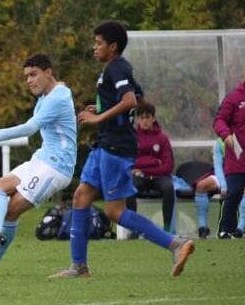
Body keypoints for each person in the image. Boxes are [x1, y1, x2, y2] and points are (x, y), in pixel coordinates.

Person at [50, 21, 194, 279]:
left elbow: (129, 101)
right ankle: (79, 267)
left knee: (114, 210)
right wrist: (101, 108)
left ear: (112, 46)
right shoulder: (115, 69)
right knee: (81, 196)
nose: (94, 48)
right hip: (105, 145)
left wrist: (98, 118)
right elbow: (137, 98)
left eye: (98, 43)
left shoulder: (117, 68)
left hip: (116, 148)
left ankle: (176, 243)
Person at [0, 54, 77, 276]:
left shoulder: (57, 97)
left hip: (56, 167)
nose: (29, 81)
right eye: (26, 77)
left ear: (48, 72)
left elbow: (29, 128)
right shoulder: (48, 94)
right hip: (42, 159)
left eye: (33, 75)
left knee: (11, 210)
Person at [213, 60, 245, 239]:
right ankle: (226, 229)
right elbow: (219, 121)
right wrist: (226, 135)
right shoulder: (234, 97)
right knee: (234, 193)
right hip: (238, 155)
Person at [125, 102, 175, 233]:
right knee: (129, 188)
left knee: (169, 188)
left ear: (153, 119)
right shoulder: (132, 138)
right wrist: (154, 162)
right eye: (141, 118)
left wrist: (143, 169)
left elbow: (168, 166)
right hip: (140, 178)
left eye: (147, 117)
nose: (145, 121)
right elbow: (130, 162)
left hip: (159, 177)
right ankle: (133, 229)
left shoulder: (162, 139)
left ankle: (167, 228)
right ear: (137, 120)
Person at [194, 138, 245, 239]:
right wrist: (224, 185)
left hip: (240, 173)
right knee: (201, 186)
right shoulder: (219, 142)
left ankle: (240, 229)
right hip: (224, 173)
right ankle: (203, 228)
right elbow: (218, 166)